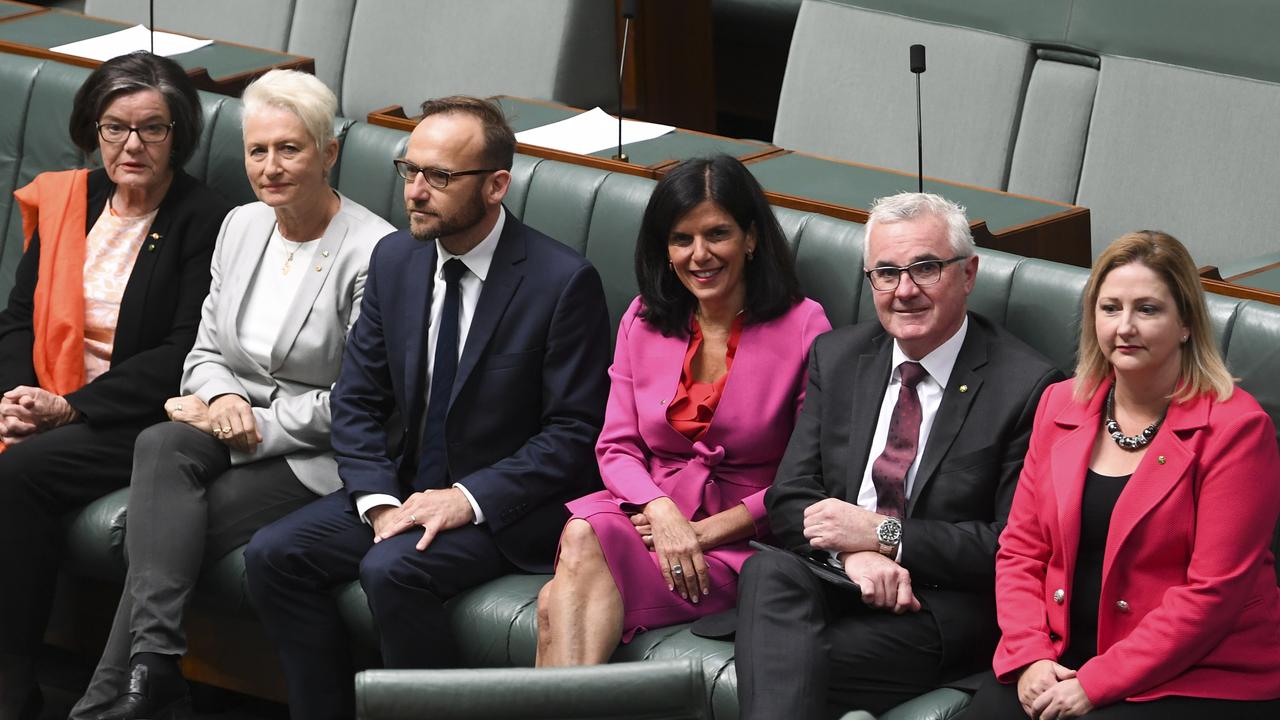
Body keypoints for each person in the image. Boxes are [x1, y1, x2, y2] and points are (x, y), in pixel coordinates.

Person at [243, 95, 611, 720]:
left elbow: (573, 434)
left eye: (439, 177)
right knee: (273, 555)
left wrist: (465, 499)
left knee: (393, 571)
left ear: (496, 185)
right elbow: (358, 401)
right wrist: (379, 500)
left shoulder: (561, 281)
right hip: (405, 492)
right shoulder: (397, 259)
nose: (416, 191)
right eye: (409, 170)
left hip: (503, 512)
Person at [64, 68, 394, 720]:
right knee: (161, 442)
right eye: (257, 150)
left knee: (163, 531)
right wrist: (220, 403)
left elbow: (360, 402)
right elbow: (205, 351)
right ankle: (156, 667)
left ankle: (113, 697)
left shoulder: (374, 251)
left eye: (290, 149)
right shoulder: (242, 225)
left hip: (312, 452)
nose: (270, 167)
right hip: (227, 421)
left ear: (329, 152)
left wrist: (253, 425)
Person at [734, 192, 1064, 719]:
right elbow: (789, 496)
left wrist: (884, 538)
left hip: (936, 607)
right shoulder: (838, 357)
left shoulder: (1027, 387)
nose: (904, 290)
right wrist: (854, 554)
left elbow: (1009, 544)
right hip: (835, 578)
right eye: (886, 273)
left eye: (925, 268)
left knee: (783, 664)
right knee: (767, 575)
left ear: (969, 273)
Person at [960, 231, 1280, 720]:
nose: (1125, 326)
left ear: (1186, 324)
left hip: (1199, 669)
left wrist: (1096, 683)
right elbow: (1021, 549)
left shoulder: (1237, 429)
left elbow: (1211, 596)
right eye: (1110, 308)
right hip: (1067, 653)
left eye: (1147, 309)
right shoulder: (1060, 403)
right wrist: (1029, 656)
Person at [0, 51, 229, 719]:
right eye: (115, 127)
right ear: (92, 129)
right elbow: (18, 318)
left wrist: (69, 408)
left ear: (178, 136)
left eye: (152, 129)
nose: (132, 145)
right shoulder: (69, 197)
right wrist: (16, 397)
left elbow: (181, 350)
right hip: (46, 400)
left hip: (134, 416)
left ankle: (13, 678)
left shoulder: (204, 219)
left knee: (20, 475)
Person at [535, 156, 830, 665]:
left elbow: (811, 476)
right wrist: (659, 509)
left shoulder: (804, 325)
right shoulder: (643, 319)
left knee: (555, 600)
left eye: (717, 234)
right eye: (681, 239)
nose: (700, 255)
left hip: (739, 544)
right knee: (584, 533)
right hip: (647, 517)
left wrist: (699, 534)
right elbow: (616, 446)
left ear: (751, 238)